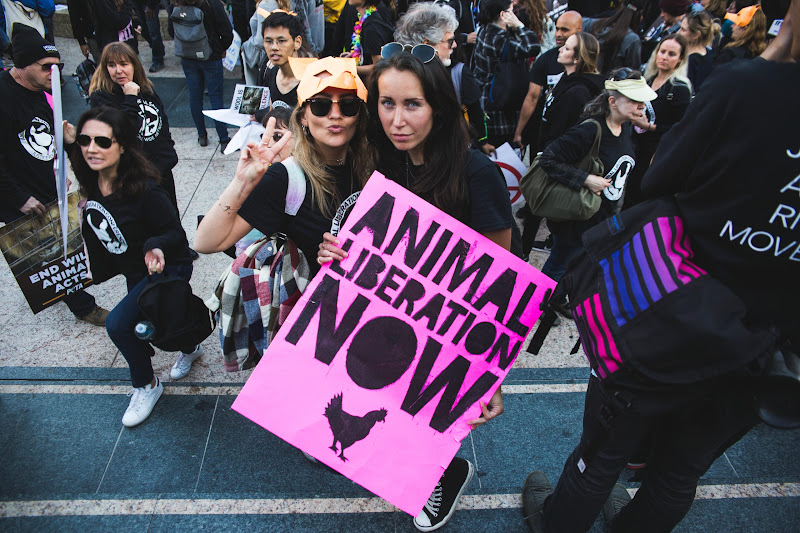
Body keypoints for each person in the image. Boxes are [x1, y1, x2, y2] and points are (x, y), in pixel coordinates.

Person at [522, 4, 800, 530]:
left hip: (672, 308)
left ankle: (554, 522)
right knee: (680, 471)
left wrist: (774, 62)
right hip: (772, 344)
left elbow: (660, 179)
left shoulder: (746, 85)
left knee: (603, 454)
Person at [319, 49, 511, 532]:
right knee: (388, 402)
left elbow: (502, 281)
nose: (397, 120)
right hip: (392, 316)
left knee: (424, 413)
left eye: (412, 105)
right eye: (387, 103)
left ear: (439, 108)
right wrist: (335, 251)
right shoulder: (386, 159)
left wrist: (490, 377)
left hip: (446, 329)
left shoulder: (477, 173)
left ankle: (444, 474)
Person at [69, 106, 200, 427]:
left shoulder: (145, 189)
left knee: (119, 325)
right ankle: (191, 346)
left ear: (123, 146)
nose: (91, 148)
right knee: (158, 325)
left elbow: (175, 234)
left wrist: (155, 245)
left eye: (103, 141)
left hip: (166, 267)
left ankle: (147, 385)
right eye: (85, 140)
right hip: (135, 271)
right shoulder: (92, 177)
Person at [194, 56, 374, 279]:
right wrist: (242, 183)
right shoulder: (285, 178)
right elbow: (206, 242)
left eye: (348, 105)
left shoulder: (372, 166)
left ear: (359, 115)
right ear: (303, 117)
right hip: (309, 298)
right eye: (321, 105)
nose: (335, 114)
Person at [0, 25, 109, 326]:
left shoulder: (42, 91)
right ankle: (83, 307)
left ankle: (65, 290)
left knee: (62, 245)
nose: (54, 73)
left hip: (47, 185)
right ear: (22, 65)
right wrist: (19, 198)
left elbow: (47, 137)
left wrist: (60, 165)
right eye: (46, 66)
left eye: (58, 66)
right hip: (18, 195)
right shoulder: (3, 97)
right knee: (48, 251)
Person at [537, 69, 657, 296]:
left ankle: (558, 300)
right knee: (560, 264)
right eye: (634, 100)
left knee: (577, 268)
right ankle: (538, 304)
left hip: (600, 218)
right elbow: (548, 159)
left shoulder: (626, 127)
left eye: (642, 101)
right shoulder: (591, 129)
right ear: (613, 102)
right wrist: (586, 179)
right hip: (577, 218)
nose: (642, 106)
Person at [514, 10, 583, 257]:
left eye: (565, 30)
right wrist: (520, 131)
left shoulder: (581, 85)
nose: (558, 35)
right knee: (537, 191)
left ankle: (550, 241)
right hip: (543, 140)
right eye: (557, 28)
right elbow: (533, 96)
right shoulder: (548, 60)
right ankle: (526, 246)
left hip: (565, 150)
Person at [88, 42, 180, 214]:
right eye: (111, 65)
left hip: (162, 170)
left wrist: (168, 151)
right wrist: (130, 97)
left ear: (134, 65)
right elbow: (124, 132)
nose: (118, 70)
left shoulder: (145, 89)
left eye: (124, 64)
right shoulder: (102, 98)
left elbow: (162, 121)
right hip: (136, 178)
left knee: (171, 218)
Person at [392, 1, 492, 154]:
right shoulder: (397, 77)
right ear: (427, 44)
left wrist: (482, 142)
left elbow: (476, 115)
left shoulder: (457, 73)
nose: (455, 45)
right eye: (450, 41)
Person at [626, 34, 691, 208]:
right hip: (636, 146)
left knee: (641, 198)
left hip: (657, 152)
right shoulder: (648, 79)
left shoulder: (679, 89)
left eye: (671, 54)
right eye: (662, 51)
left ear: (680, 59)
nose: (664, 57)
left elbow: (681, 128)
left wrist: (650, 126)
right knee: (629, 193)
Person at [472, 0, 539, 147]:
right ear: (503, 14)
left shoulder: (484, 30)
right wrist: (519, 25)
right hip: (500, 109)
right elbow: (533, 47)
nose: (515, 14)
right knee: (503, 153)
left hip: (488, 103)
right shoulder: (499, 38)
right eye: (512, 11)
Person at [173, 0, 233, 150]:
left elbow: (170, 30)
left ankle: (202, 135)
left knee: (195, 96)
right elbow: (227, 32)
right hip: (211, 56)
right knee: (216, 97)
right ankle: (223, 139)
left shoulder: (177, 4)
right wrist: (220, 48)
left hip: (187, 56)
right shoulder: (212, 3)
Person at [538, 31, 603, 150]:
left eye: (567, 48)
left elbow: (564, 132)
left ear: (577, 58)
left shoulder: (578, 92)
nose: (560, 50)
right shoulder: (566, 78)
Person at [330, 0, 394, 76]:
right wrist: (355, 54)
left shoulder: (371, 27)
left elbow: (379, 67)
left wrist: (348, 68)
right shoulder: (365, 18)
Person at [257, 10, 306, 108]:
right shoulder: (268, 72)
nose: (274, 47)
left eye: (281, 41)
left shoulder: (310, 80)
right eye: (269, 41)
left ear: (297, 42)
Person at [585, 2, 643, 77]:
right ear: (638, 15)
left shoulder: (596, 25)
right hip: (613, 81)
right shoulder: (632, 39)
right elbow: (634, 71)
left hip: (588, 77)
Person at [678, 9, 718, 90]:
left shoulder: (691, 61)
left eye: (683, 30)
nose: (678, 32)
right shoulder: (709, 53)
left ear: (696, 34)